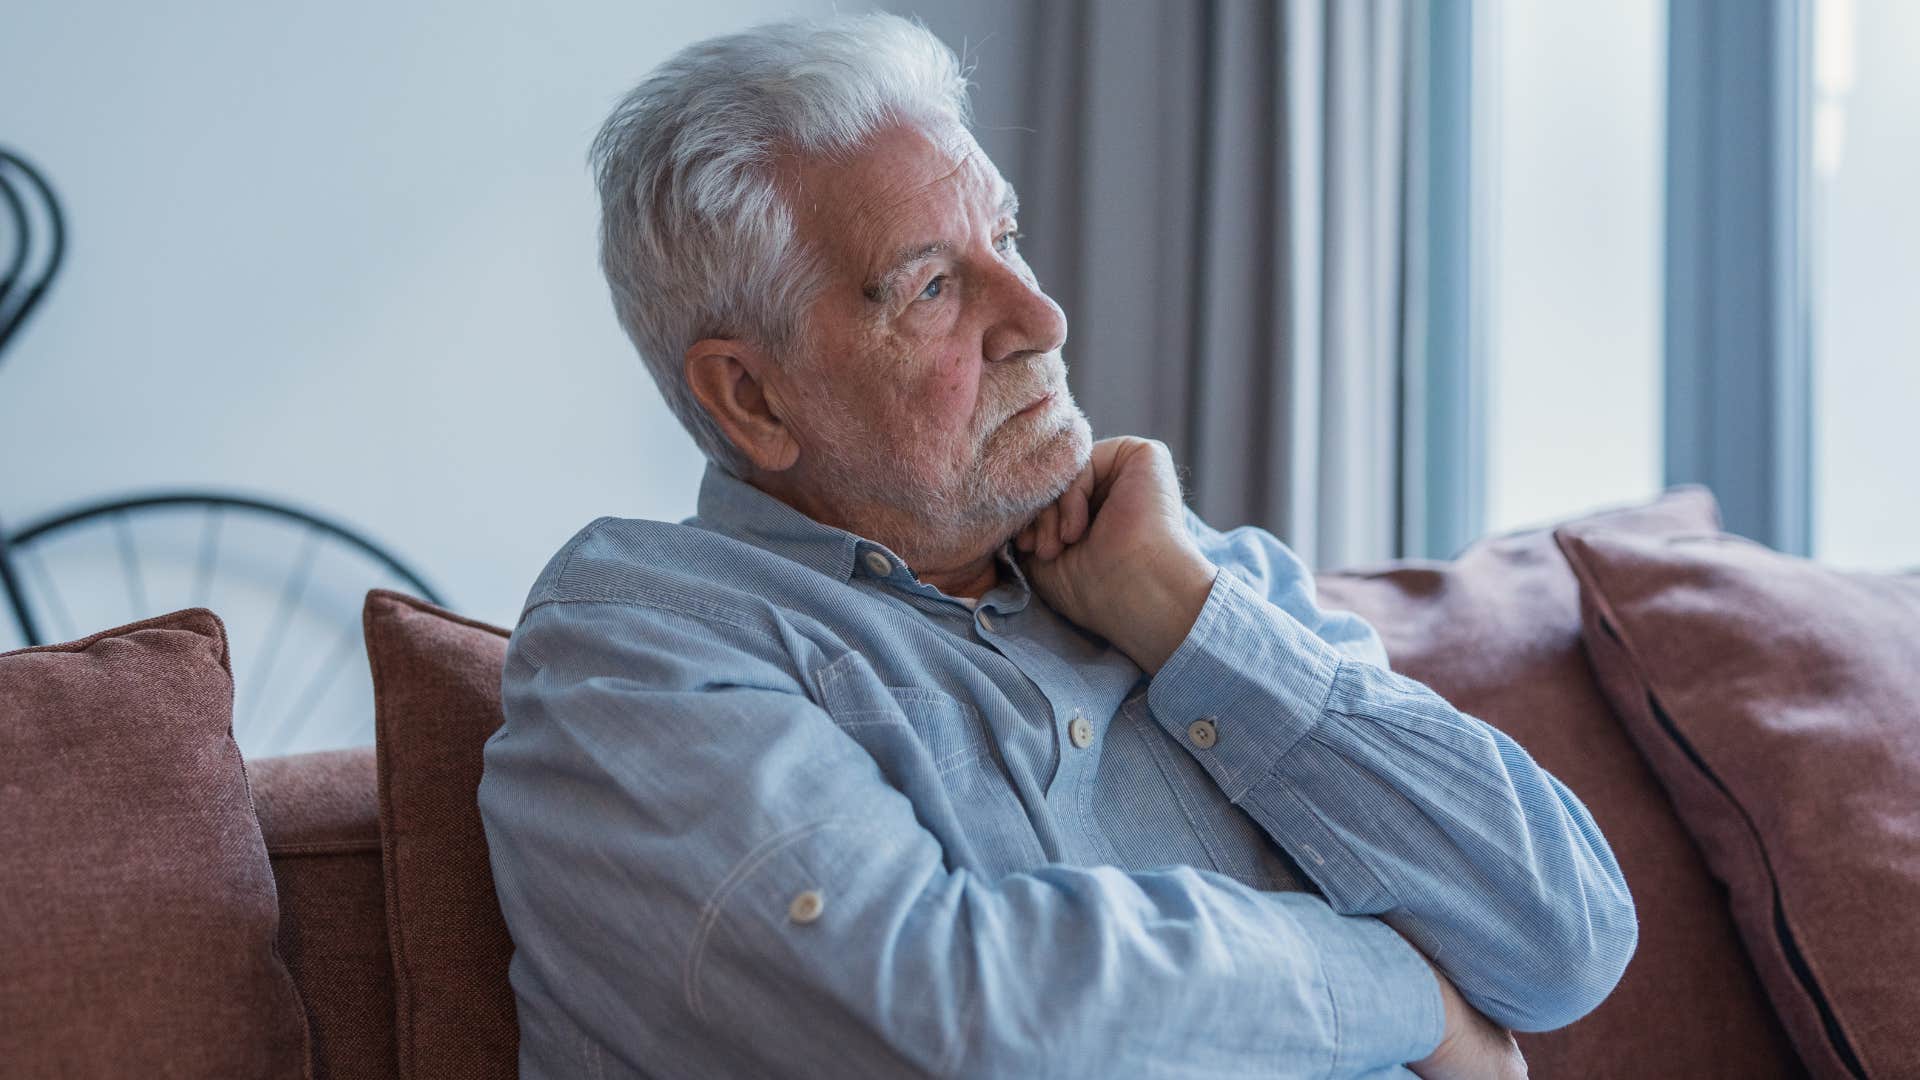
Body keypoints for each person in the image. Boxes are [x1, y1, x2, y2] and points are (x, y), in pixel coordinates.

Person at [477, 13, 1633, 1078]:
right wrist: (1411, 996)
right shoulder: (638, 644)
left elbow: (1563, 941)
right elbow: (949, 1019)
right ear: (752, 399)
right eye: (931, 286)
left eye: (1009, 236)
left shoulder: (1194, 577)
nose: (1040, 317)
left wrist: (1188, 619)